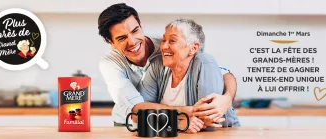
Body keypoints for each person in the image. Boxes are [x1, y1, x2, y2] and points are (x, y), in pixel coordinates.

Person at [98, 3, 238, 131]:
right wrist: (180, 117)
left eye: (135, 31)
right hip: (129, 125)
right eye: (122, 38)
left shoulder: (165, 46)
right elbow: (136, 111)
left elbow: (222, 73)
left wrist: (227, 98)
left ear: (141, 25)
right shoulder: (110, 64)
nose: (133, 41)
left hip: (167, 124)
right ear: (110, 42)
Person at [138, 19, 240, 133]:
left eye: (172, 40)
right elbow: (138, 113)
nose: (164, 46)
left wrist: (162, 118)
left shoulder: (205, 63)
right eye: (164, 40)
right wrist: (176, 123)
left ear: (193, 48)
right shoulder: (157, 64)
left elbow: (207, 120)